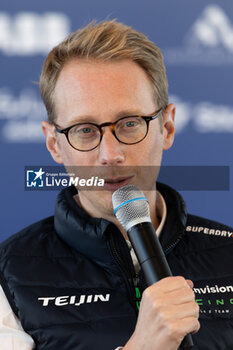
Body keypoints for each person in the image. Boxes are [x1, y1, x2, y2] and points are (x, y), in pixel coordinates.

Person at [0, 20, 232, 350]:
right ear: (53, 143)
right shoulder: (8, 277)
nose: (111, 155)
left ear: (166, 127)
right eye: (84, 130)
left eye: (129, 123)